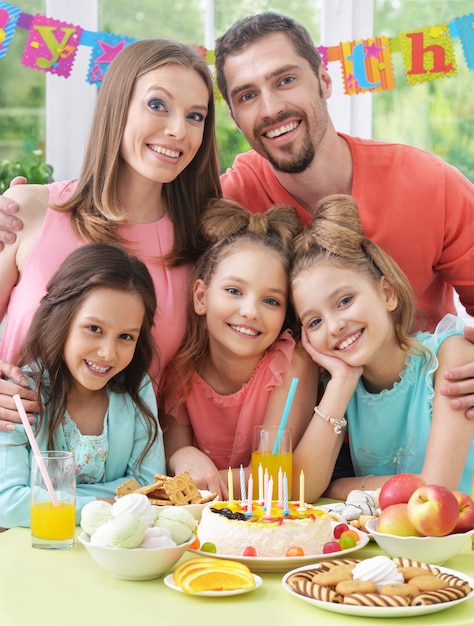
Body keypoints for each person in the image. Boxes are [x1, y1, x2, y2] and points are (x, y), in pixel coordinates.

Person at [212, 12, 474, 417]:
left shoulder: (428, 183)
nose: (271, 108)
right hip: (296, 436)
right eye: (247, 95)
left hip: (424, 421)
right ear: (233, 116)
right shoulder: (233, 200)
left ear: (324, 79)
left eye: (285, 80)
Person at [0, 38, 221, 430]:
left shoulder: (201, 250)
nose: (177, 130)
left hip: (122, 480)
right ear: (117, 106)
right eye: (158, 105)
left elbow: (176, 395)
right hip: (12, 458)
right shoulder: (27, 211)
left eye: (195, 116)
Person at [289, 194, 474, 503]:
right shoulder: (341, 389)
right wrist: (343, 381)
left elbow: (434, 491)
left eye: (345, 301)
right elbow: (300, 491)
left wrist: (337, 487)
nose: (334, 326)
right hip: (389, 545)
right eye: (315, 321)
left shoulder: (449, 357)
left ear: (387, 294)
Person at [160, 198, 319, 498]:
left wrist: (195, 481)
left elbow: (273, 478)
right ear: (201, 297)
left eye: (271, 301)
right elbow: (175, 451)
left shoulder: (292, 365)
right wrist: (181, 455)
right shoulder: (180, 366)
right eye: (234, 291)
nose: (250, 311)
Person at [0, 243, 165, 528]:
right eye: (94, 329)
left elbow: (148, 488)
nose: (107, 353)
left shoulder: (138, 389)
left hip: (113, 554)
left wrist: (47, 501)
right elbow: (8, 503)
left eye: (126, 336)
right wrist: (107, 505)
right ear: (61, 318)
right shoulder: (21, 392)